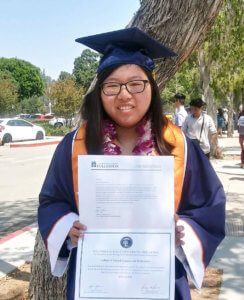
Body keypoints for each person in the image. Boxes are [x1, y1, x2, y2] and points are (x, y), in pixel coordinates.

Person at [38, 28, 225, 300]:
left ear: (151, 88)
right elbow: (52, 201)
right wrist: (67, 228)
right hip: (95, 281)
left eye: (136, 84)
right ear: (100, 92)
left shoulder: (179, 146)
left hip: (162, 280)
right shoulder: (73, 145)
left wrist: (181, 232)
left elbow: (210, 207)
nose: (124, 95)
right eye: (112, 85)